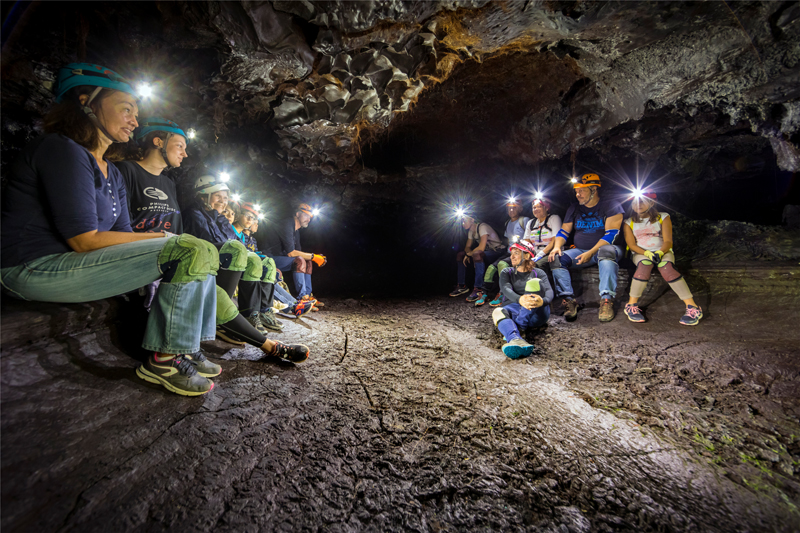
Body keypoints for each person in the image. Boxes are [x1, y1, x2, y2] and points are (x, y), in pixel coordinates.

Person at [0, 64, 255, 397]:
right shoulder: (62, 150)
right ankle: (163, 359)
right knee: (190, 247)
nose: (134, 121)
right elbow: (83, 239)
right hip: (31, 267)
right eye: (126, 109)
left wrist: (162, 251)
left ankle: (186, 346)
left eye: (136, 113)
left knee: (198, 247)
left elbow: (122, 234)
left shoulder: (112, 172)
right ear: (86, 102)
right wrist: (166, 241)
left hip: (75, 266)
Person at [549, 173, 624, 322]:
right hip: (581, 251)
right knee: (556, 259)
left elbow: (611, 235)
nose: (578, 195)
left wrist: (591, 252)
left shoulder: (610, 205)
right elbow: (563, 232)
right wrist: (556, 246)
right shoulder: (574, 208)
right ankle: (569, 300)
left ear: (594, 189)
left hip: (606, 249)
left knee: (606, 252)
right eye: (576, 191)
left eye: (582, 191)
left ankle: (607, 300)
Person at [622, 190, 703, 326]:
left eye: (642, 201)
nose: (638, 204)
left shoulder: (663, 217)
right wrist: (647, 253)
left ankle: (692, 307)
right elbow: (631, 245)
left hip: (663, 251)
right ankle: (631, 305)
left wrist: (660, 253)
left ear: (652, 202)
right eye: (635, 202)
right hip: (641, 252)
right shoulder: (628, 222)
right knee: (644, 267)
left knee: (667, 269)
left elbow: (668, 241)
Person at [116, 117, 186, 234]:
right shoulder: (126, 170)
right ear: (158, 142)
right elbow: (120, 225)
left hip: (170, 248)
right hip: (137, 249)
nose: (185, 154)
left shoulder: (168, 183)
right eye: (180, 146)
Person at [491, 240, 553, 359]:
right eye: (511, 253)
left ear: (527, 255)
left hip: (536, 314)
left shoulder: (538, 273)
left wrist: (543, 301)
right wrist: (520, 299)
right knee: (497, 312)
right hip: (514, 309)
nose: (512, 257)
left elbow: (549, 292)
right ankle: (515, 339)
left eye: (516, 253)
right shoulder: (507, 272)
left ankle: (519, 326)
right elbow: (505, 289)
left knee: (534, 283)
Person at [261, 203, 327, 307]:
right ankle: (302, 298)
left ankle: (308, 296)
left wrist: (311, 258)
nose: (308, 219)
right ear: (297, 214)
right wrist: (314, 256)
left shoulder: (296, 231)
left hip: (281, 258)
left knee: (307, 261)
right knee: (300, 260)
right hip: (268, 259)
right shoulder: (287, 224)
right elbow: (291, 253)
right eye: (305, 215)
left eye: (310, 217)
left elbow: (298, 252)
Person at [481, 197, 530, 306]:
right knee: (491, 268)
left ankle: (504, 293)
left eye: (514, 208)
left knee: (502, 264)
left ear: (520, 209)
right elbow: (508, 241)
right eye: (509, 209)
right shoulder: (508, 223)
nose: (511, 211)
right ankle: (485, 293)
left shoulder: (525, 220)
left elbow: (529, 237)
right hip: (509, 252)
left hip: (521, 252)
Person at [449, 212, 505, 302]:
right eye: (462, 221)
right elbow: (467, 247)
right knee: (460, 255)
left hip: (497, 251)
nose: (463, 223)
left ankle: (478, 288)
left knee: (477, 254)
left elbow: (481, 247)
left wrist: (468, 254)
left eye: (464, 220)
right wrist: (467, 253)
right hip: (486, 251)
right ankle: (462, 285)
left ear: (472, 220)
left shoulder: (482, 227)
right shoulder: (471, 231)